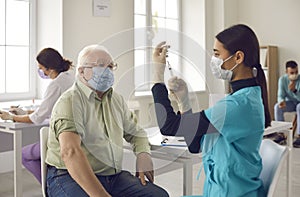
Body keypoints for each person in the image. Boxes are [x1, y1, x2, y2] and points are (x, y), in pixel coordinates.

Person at [151, 24, 271, 196]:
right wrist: (184, 102)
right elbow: (194, 144)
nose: (213, 60)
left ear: (238, 57)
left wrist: (157, 76)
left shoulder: (237, 105)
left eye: (217, 54)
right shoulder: (245, 97)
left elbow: (168, 126)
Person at [45, 44, 169, 197]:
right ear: (81, 71)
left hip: (112, 176)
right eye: (101, 65)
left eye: (111, 66)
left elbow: (136, 133)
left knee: (159, 195)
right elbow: (70, 152)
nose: (107, 70)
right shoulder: (70, 101)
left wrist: (143, 154)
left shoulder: (116, 100)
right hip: (68, 176)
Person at [0, 48, 75, 183]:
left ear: (50, 68)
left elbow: (37, 118)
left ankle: (49, 186)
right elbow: (50, 110)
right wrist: (24, 113)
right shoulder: (69, 77)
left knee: (24, 154)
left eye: (41, 68)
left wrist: (11, 117)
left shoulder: (55, 85)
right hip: (75, 134)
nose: (40, 71)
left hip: (63, 138)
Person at [274, 60, 300, 147]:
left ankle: (299, 136)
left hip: (299, 103)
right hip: (291, 103)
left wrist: (295, 91)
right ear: (286, 72)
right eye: (292, 72)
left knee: (299, 107)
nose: (294, 74)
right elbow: (280, 95)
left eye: (296, 72)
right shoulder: (282, 80)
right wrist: (281, 101)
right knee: (277, 107)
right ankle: (280, 133)